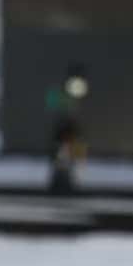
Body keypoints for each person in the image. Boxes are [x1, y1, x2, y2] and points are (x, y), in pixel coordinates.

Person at [45, 62, 90, 194]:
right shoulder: (60, 92)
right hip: (62, 130)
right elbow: (53, 104)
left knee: (75, 158)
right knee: (60, 159)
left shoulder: (79, 89)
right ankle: (59, 181)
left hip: (72, 130)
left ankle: (72, 181)